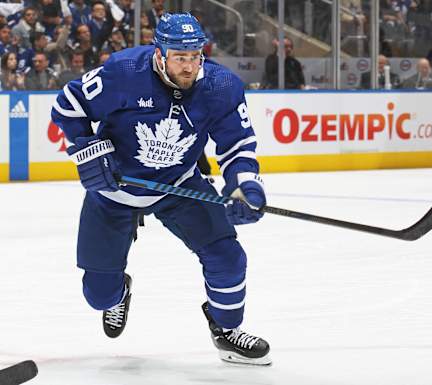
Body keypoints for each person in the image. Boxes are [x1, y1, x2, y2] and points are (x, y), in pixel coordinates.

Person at [50, 12, 271, 366]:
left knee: (228, 258)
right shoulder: (123, 72)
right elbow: (68, 106)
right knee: (98, 296)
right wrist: (88, 149)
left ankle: (226, 331)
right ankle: (118, 293)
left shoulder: (220, 87)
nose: (188, 66)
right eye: (179, 57)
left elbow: (238, 145)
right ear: (159, 53)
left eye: (195, 56)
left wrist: (244, 185)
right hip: (114, 191)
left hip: (179, 185)